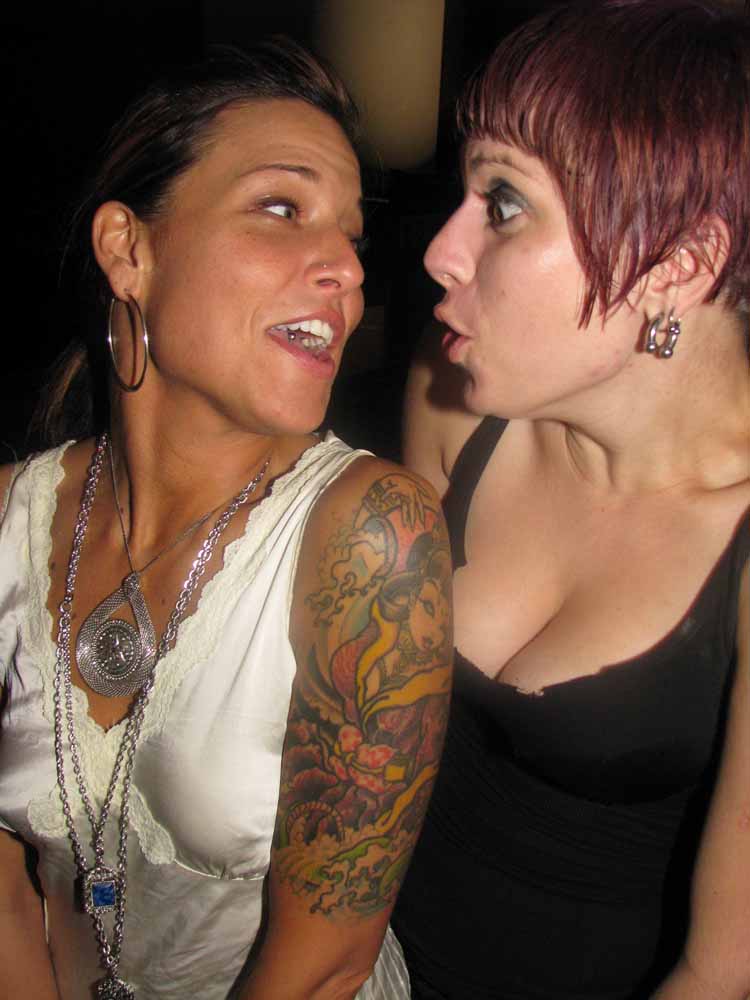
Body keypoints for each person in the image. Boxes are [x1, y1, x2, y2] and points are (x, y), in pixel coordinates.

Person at [0, 39, 452, 1000]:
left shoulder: (369, 533)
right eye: (281, 209)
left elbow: (325, 965)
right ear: (129, 249)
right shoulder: (7, 517)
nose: (346, 268)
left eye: (353, 237)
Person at [391, 1, 750, 997]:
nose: (442, 251)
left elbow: (722, 969)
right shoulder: (451, 395)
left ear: (678, 267)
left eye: (504, 203)